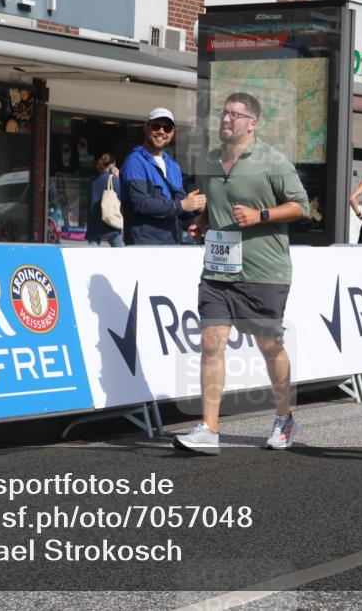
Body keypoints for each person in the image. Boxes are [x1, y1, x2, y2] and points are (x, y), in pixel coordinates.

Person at [172, 92, 311, 455]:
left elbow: (302, 206)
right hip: (218, 272)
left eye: (235, 114)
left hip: (264, 271)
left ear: (253, 123)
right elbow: (218, 204)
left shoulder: (273, 161)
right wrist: (203, 223)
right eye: (224, 112)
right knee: (210, 342)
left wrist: (261, 215)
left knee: (269, 346)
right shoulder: (211, 161)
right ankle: (209, 429)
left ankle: (284, 417)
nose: (226, 119)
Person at [119, 108, 205, 245]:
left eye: (167, 128)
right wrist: (182, 205)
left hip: (171, 242)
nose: (161, 131)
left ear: (172, 133)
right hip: (143, 245)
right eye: (156, 126)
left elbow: (181, 205)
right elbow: (141, 203)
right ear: (146, 128)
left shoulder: (173, 165)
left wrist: (195, 208)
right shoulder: (134, 162)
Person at [85, 153, 124, 247]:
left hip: (94, 223)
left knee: (92, 255)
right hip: (111, 222)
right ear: (111, 165)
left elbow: (89, 200)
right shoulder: (113, 179)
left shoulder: (92, 180)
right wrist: (118, 178)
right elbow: (122, 196)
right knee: (120, 255)